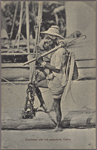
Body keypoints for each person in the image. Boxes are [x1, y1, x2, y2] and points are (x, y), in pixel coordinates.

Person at [33, 25, 69, 132]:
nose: (46, 40)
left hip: (57, 80)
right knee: (35, 84)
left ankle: (59, 126)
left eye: (49, 38)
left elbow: (57, 69)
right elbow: (43, 49)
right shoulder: (55, 49)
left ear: (54, 39)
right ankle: (43, 105)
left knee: (57, 104)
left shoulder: (59, 51)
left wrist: (42, 63)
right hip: (53, 78)